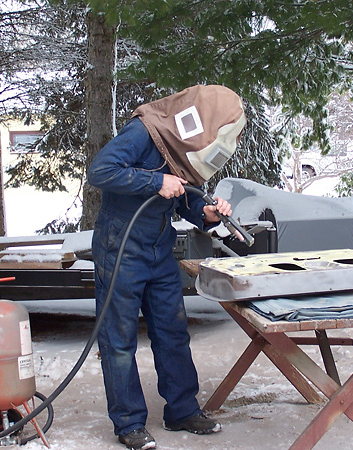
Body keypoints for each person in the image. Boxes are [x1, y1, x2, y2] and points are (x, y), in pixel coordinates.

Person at [87, 85, 246, 450]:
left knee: (172, 330)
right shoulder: (145, 130)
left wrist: (205, 213)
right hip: (121, 245)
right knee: (119, 339)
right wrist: (155, 181)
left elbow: (183, 198)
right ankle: (128, 422)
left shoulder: (181, 143)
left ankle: (182, 410)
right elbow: (101, 170)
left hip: (159, 246)